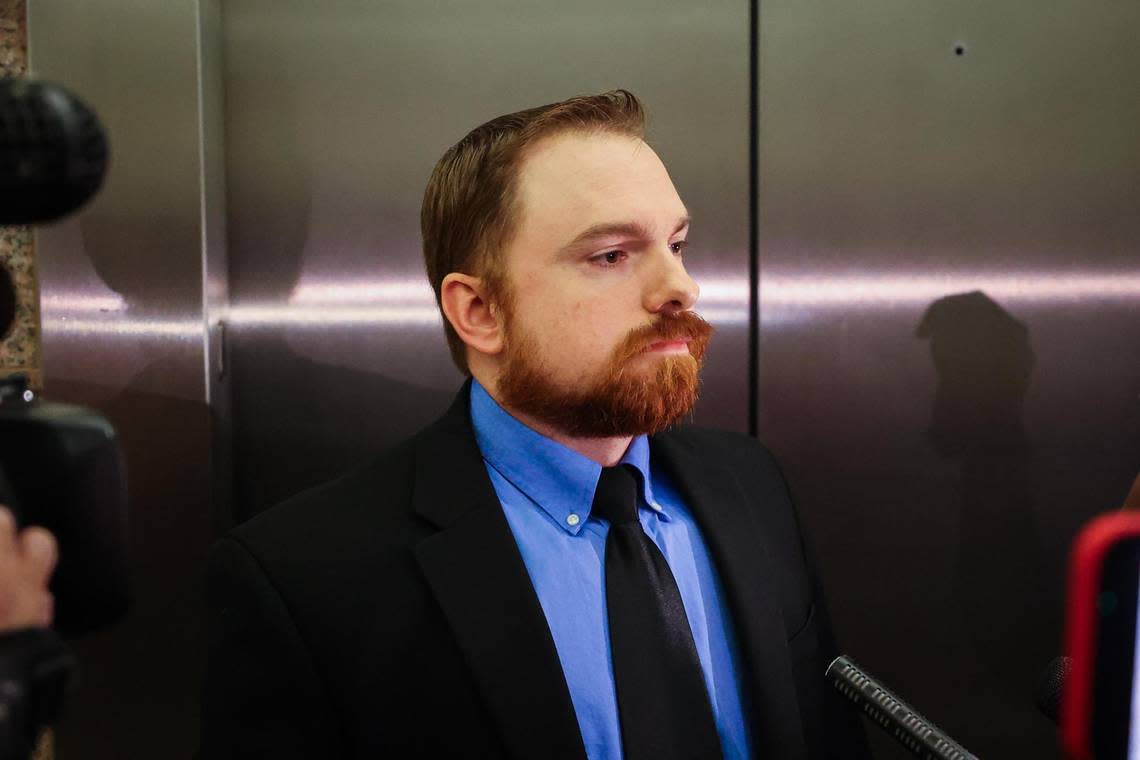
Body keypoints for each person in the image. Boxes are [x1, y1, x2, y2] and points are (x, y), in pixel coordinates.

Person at [200, 90, 870, 759]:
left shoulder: (752, 487)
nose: (680, 287)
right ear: (480, 312)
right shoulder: (306, 579)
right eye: (611, 255)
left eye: (677, 244)